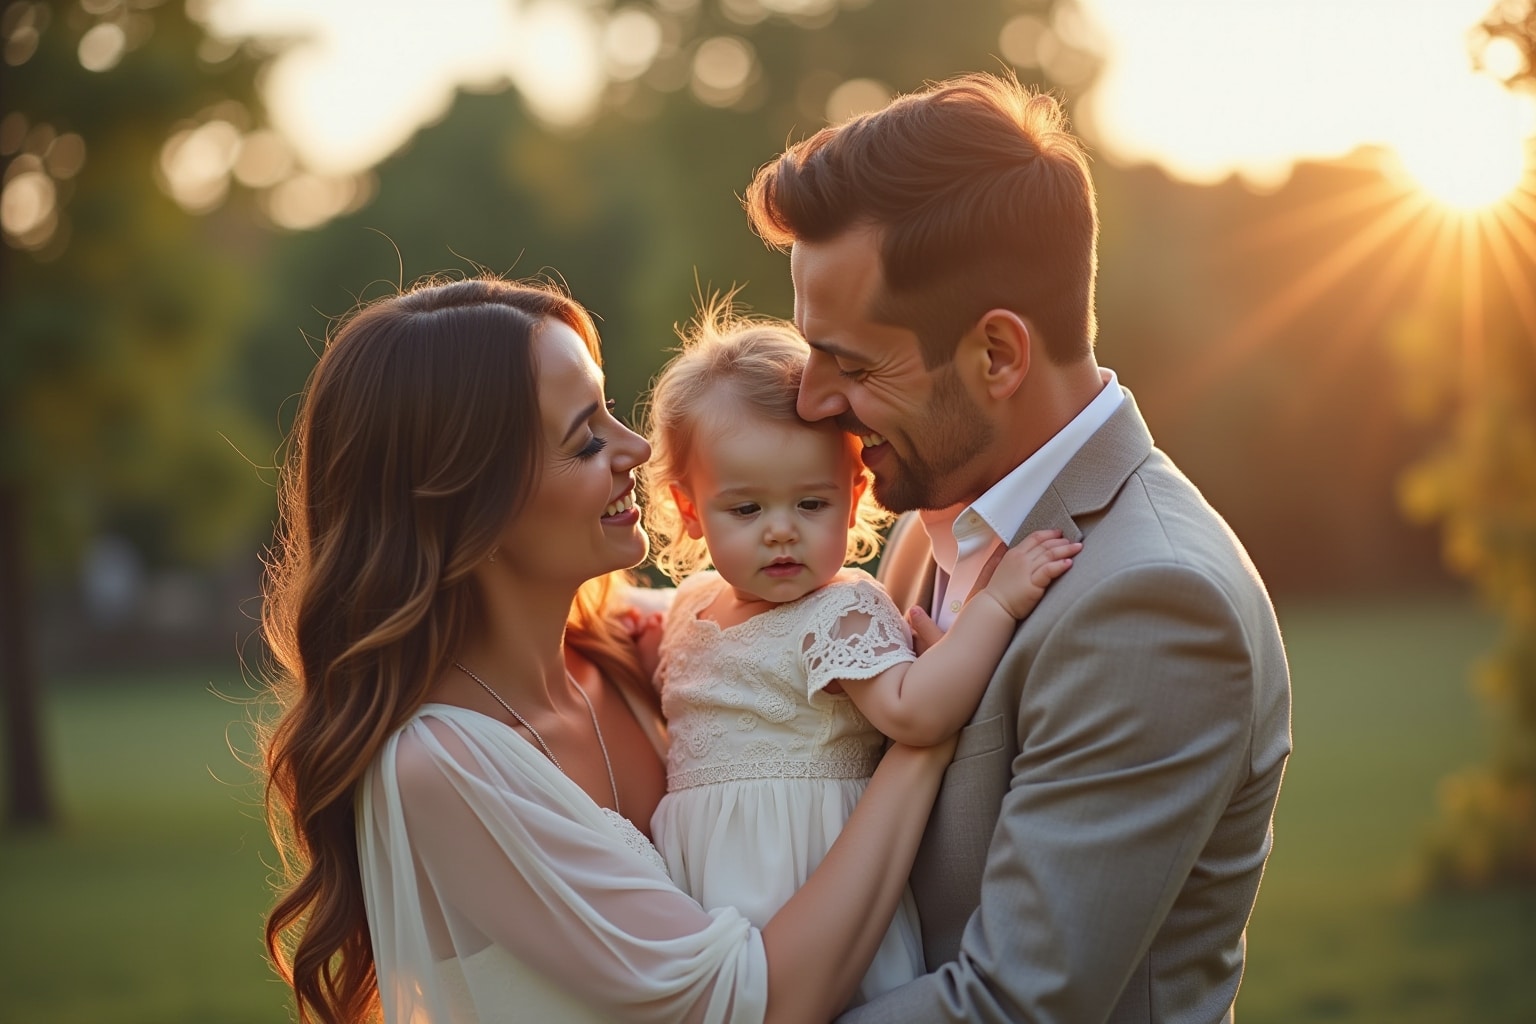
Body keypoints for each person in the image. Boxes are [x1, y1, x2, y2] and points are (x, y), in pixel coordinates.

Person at [257, 277, 965, 1024]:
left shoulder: (655, 643)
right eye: (586, 438)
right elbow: (753, 1005)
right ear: (470, 502)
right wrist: (918, 745)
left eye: (611, 411)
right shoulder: (444, 769)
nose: (637, 449)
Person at [743, 72, 1293, 1023]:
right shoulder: (928, 522)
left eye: (857, 365)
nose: (812, 402)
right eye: (812, 352)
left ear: (996, 355)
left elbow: (1010, 1005)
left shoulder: (1156, 602)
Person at [637, 311, 1080, 1007]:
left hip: (810, 881)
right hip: (705, 890)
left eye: (811, 503)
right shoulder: (691, 607)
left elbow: (915, 710)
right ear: (690, 511)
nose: (781, 531)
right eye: (746, 510)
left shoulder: (838, 612)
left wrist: (995, 607)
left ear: (855, 498)